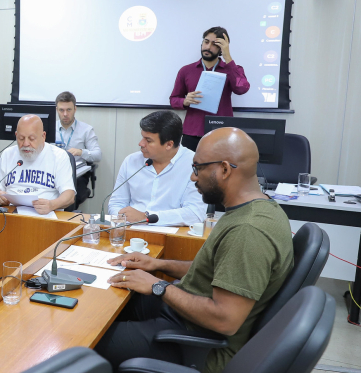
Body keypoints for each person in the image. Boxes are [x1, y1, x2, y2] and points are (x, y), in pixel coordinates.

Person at [95, 127, 294, 373]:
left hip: (195, 341)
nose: (192, 177)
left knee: (89, 338)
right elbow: (218, 271)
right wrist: (158, 265)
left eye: (197, 168)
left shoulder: (248, 230)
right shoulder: (257, 208)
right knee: (107, 305)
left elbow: (225, 320)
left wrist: (158, 286)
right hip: (185, 312)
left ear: (223, 169)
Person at [108, 111, 206, 226]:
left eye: (148, 140)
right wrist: (123, 219)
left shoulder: (194, 165)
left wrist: (146, 218)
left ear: (169, 144)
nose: (141, 143)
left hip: (173, 234)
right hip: (130, 229)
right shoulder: (131, 161)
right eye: (142, 137)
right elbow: (116, 203)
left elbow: (194, 213)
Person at [169, 26, 250, 152]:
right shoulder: (186, 70)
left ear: (222, 48)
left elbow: (242, 89)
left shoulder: (233, 69)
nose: (208, 47)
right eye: (206, 42)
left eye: (214, 44)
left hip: (222, 133)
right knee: (189, 169)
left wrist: (228, 57)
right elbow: (174, 99)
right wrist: (184, 101)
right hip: (192, 132)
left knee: (220, 170)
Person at [0, 115, 75, 214]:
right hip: (12, 214)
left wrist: (52, 204)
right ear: (16, 135)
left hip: (46, 216)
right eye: (21, 138)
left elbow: (69, 195)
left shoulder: (59, 156)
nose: (26, 144)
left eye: (31, 138)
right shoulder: (8, 154)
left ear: (43, 136)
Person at [54, 91, 102, 197]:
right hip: (54, 172)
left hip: (76, 174)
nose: (65, 114)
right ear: (56, 109)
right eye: (61, 110)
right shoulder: (48, 128)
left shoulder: (86, 130)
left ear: (75, 109)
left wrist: (81, 152)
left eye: (69, 110)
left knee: (70, 195)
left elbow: (98, 155)